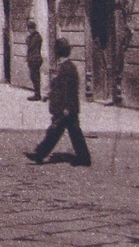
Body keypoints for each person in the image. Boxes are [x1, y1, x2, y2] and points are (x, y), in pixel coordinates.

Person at [26, 39, 91, 167]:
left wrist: (66, 108)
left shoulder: (67, 68)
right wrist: (49, 95)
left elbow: (68, 90)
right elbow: (59, 87)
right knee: (69, 133)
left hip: (66, 108)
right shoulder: (65, 67)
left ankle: (39, 154)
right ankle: (83, 158)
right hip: (66, 107)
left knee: (56, 132)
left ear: (58, 53)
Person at [24, 21, 45, 100]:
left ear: (32, 28)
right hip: (33, 59)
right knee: (33, 77)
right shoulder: (33, 36)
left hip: (35, 59)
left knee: (35, 77)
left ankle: (37, 94)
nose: (29, 30)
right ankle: (37, 93)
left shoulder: (36, 37)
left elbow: (30, 46)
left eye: (29, 29)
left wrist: (28, 40)